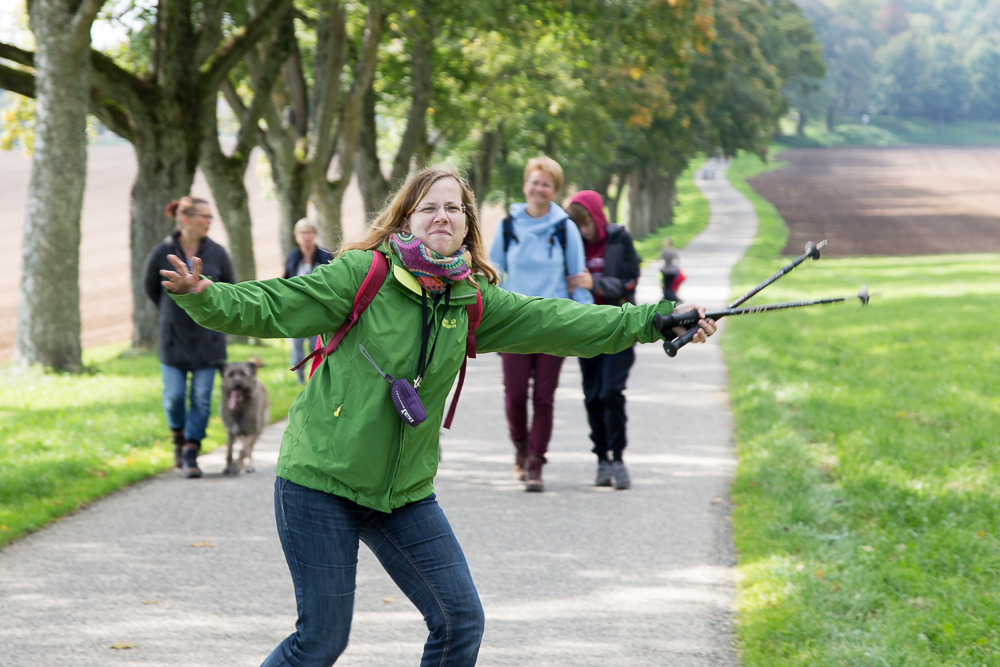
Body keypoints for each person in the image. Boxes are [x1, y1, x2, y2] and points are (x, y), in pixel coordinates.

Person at [159, 166, 716, 667]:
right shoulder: (361, 275)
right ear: (407, 219)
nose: (442, 215)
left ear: (468, 225)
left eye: (454, 207)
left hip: (401, 493)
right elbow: (273, 304)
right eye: (429, 206)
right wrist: (204, 294)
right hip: (319, 483)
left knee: (459, 622)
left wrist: (659, 318)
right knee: (321, 642)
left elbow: (564, 321)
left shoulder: (472, 301)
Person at [487, 156, 592, 492]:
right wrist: (488, 320)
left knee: (544, 397)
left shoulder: (565, 229)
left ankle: (535, 462)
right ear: (525, 186)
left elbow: (578, 280)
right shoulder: (507, 226)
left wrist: (584, 322)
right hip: (514, 323)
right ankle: (519, 448)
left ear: (555, 191)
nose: (539, 188)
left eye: (546, 184)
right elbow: (492, 277)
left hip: (553, 324)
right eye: (535, 182)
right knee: (516, 394)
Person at [142, 196, 235, 478]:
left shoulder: (217, 253)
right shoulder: (162, 251)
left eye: (210, 217)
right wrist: (174, 310)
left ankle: (192, 450)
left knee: (202, 397)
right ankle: (179, 439)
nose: (209, 221)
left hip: (209, 339)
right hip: (173, 338)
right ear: (185, 219)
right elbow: (150, 288)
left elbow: (231, 289)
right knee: (173, 397)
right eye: (203, 216)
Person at [566, 191, 642, 489]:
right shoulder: (573, 246)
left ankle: (619, 459)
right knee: (593, 395)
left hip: (620, 327)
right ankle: (602, 459)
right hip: (587, 330)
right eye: (578, 226)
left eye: (586, 225)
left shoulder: (619, 239)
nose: (584, 231)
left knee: (612, 391)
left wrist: (595, 283)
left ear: (596, 217)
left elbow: (630, 280)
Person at [284, 218, 333, 384]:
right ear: (296, 236)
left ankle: (317, 377)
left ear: (315, 235)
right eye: (302, 233)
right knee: (297, 346)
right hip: (296, 311)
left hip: (317, 310)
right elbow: (286, 280)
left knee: (316, 346)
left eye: (309, 232)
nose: (306, 236)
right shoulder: (293, 256)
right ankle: (299, 378)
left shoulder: (324, 255)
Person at [659, 237, 681, 302]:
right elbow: (677, 259)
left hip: (665, 270)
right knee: (671, 285)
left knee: (666, 285)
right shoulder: (674, 250)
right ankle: (672, 297)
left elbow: (660, 258)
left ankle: (667, 297)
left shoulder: (664, 251)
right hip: (672, 270)